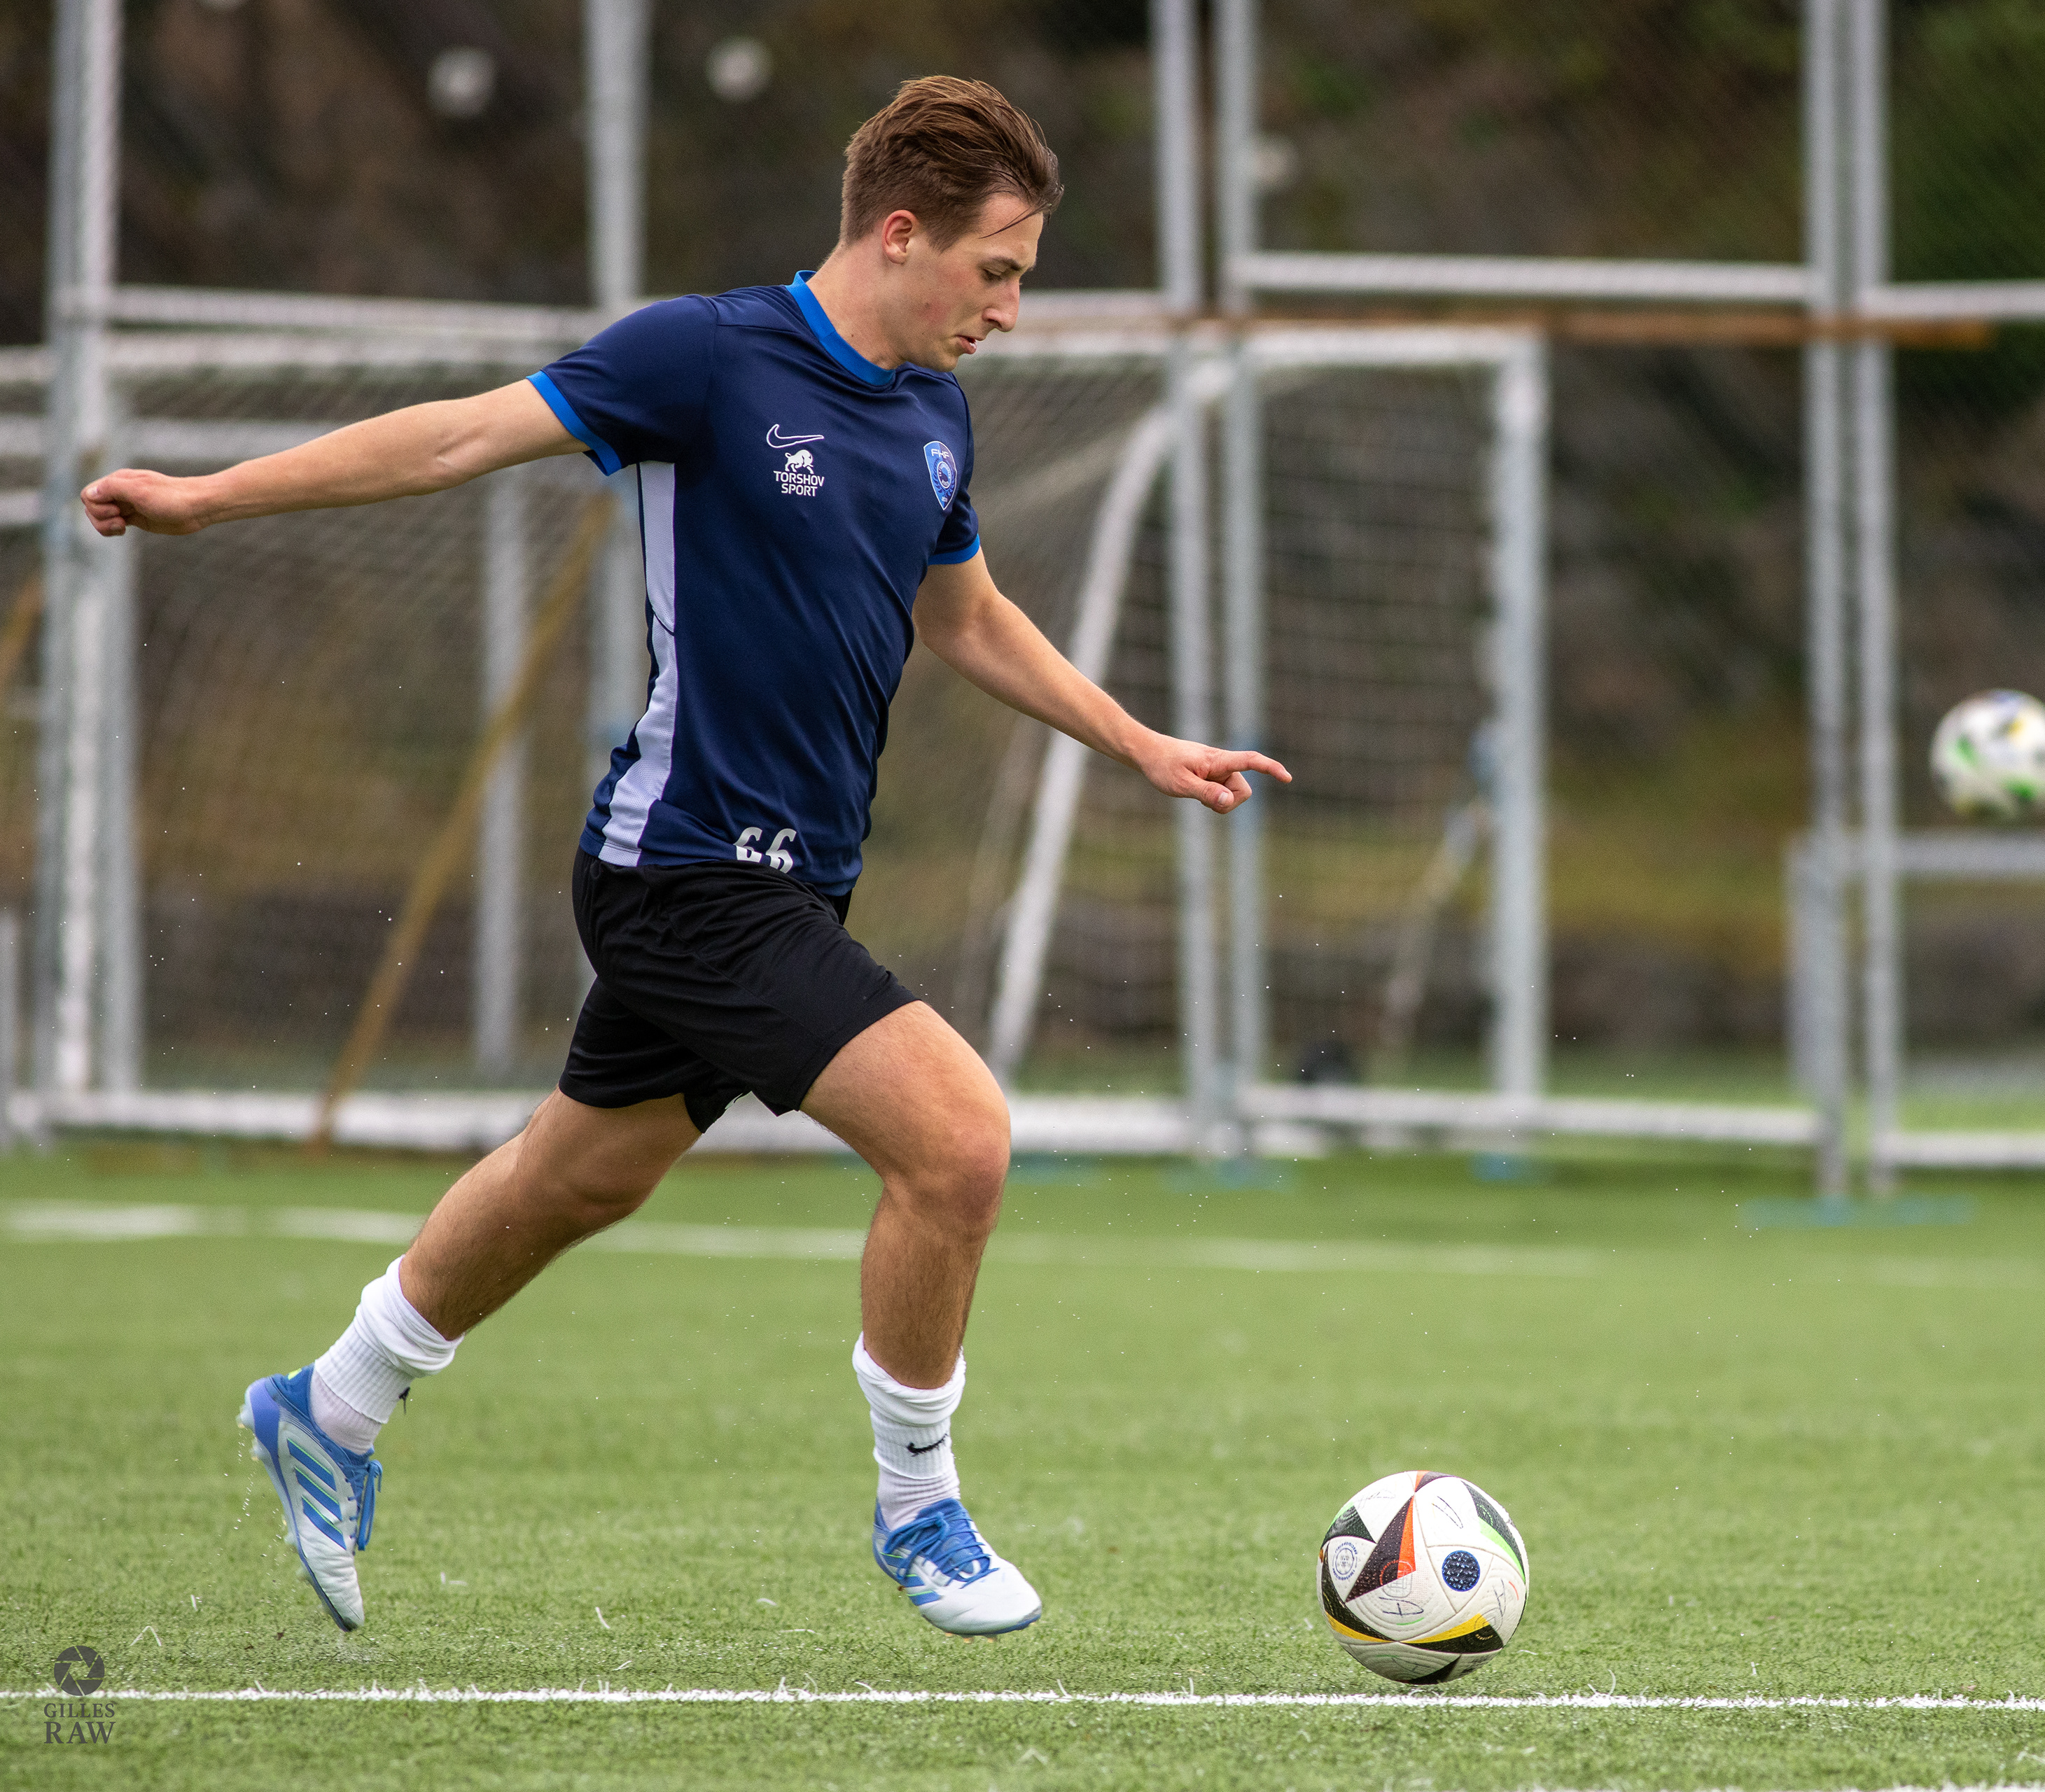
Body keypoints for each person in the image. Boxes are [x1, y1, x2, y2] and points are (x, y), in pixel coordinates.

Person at [78, 77, 1287, 1634]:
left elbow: (967, 616)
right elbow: (459, 438)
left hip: (793, 880)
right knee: (959, 1144)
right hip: (686, 870)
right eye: (996, 271)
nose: (1008, 310)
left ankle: (331, 1402)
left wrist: (1138, 742)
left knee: (582, 1173)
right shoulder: (705, 357)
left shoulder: (934, 413)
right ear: (900, 233)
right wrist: (206, 496)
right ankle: (919, 1504)